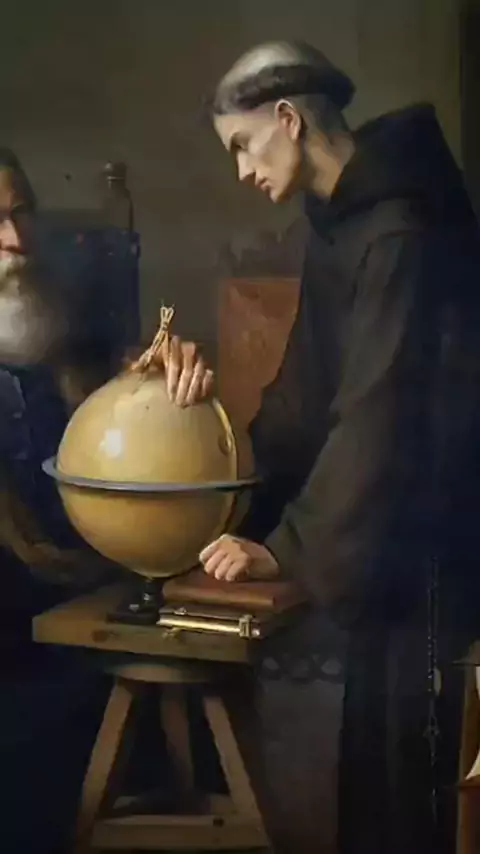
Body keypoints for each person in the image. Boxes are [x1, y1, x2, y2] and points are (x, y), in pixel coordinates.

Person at [159, 42, 480, 854]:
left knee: (421, 776)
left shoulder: (402, 229)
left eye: (243, 145)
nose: (241, 171)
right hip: (389, 541)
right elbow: (304, 398)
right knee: (378, 776)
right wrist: (227, 485)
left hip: (432, 551)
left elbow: (382, 414)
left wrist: (287, 548)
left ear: (288, 120)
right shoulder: (340, 222)